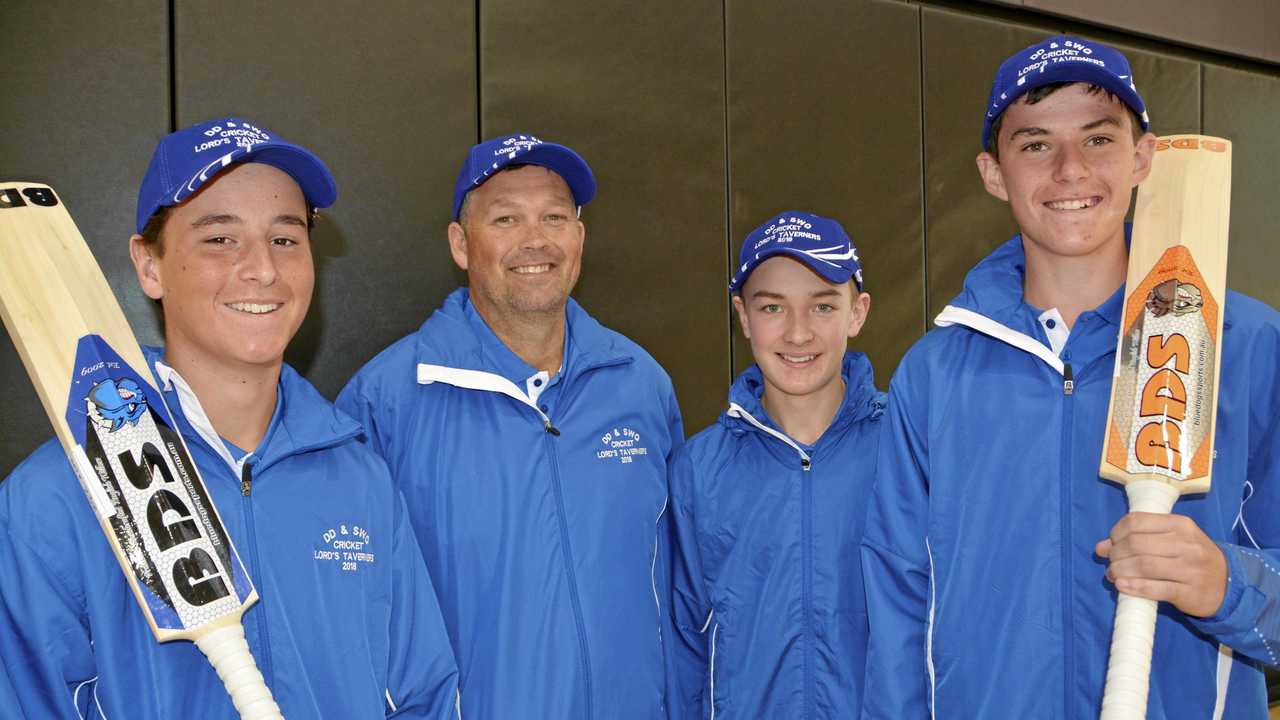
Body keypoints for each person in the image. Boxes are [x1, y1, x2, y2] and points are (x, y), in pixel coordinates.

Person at [860, 36, 1280, 718]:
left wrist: (1228, 585)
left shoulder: (1245, 346)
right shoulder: (934, 376)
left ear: (1143, 156)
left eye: (1098, 139)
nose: (1069, 171)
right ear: (993, 173)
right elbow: (897, 615)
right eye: (1034, 145)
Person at [0, 118, 459, 719]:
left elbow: (422, 697)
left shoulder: (359, 477)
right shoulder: (53, 501)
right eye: (220, 239)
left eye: (286, 239)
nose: (262, 269)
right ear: (150, 266)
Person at [337, 133, 684, 719]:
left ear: (579, 237)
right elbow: (351, 621)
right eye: (506, 218)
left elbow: (678, 587)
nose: (535, 240)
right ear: (461, 244)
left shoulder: (640, 384)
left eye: (554, 216)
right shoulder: (385, 401)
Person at [666, 211, 883, 718]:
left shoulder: (908, 450)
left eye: (823, 306)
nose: (799, 333)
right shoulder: (699, 469)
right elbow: (682, 643)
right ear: (743, 316)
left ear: (858, 312)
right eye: (773, 308)